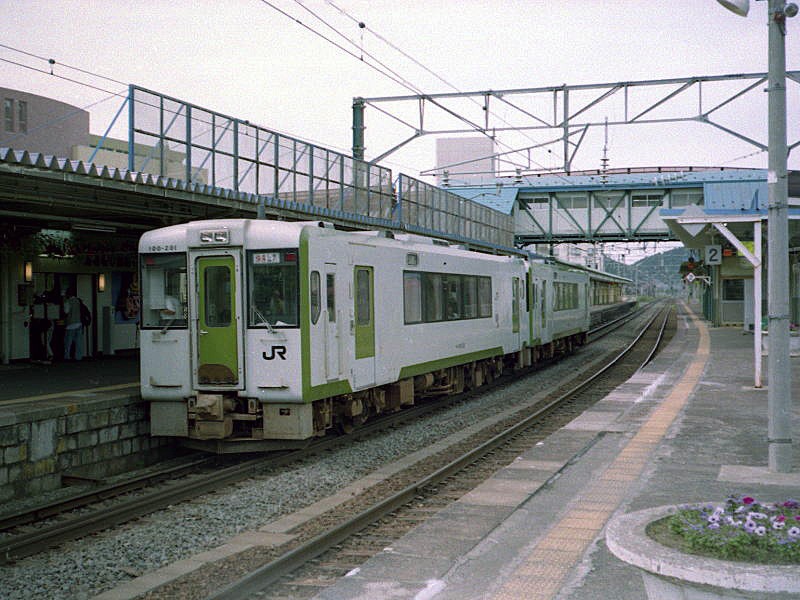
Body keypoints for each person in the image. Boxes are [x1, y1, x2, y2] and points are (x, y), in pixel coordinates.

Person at [63, 287, 84, 361]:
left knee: (68, 342)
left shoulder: (68, 302)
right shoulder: (78, 301)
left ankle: (67, 356)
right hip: (79, 323)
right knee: (78, 342)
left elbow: (66, 312)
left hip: (70, 324)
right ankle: (78, 357)